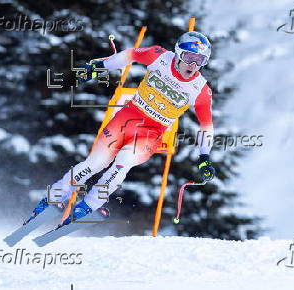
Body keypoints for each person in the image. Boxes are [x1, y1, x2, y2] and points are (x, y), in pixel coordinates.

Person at [28, 31, 216, 226]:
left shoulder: (201, 90)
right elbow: (129, 55)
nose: (193, 65)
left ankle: (89, 205)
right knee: (95, 162)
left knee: (123, 161)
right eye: (189, 57)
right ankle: (54, 197)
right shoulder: (159, 56)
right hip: (126, 119)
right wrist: (97, 66)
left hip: (151, 133)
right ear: (178, 53)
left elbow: (206, 126)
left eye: (200, 60)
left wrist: (204, 157)